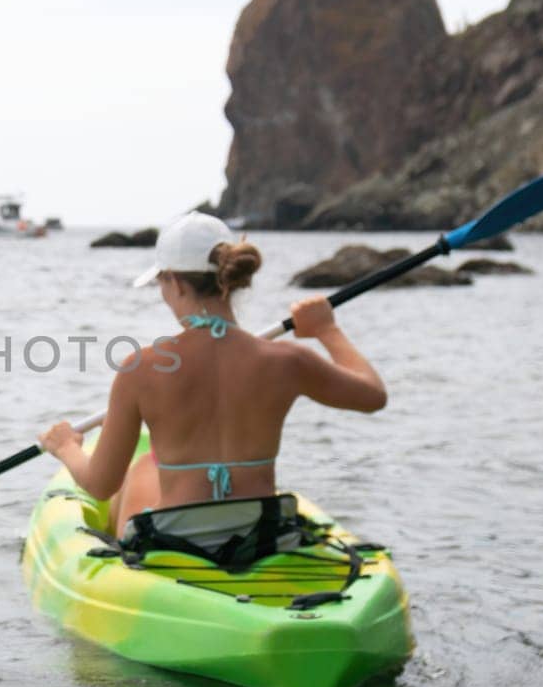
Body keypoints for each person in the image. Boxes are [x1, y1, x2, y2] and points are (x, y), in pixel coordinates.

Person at [39, 213, 387, 535]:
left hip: (175, 540)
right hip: (261, 535)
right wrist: (327, 330)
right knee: (147, 463)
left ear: (174, 283)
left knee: (143, 470)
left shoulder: (141, 368)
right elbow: (373, 396)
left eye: (161, 284)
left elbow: (100, 484)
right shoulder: (288, 360)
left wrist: (66, 447)